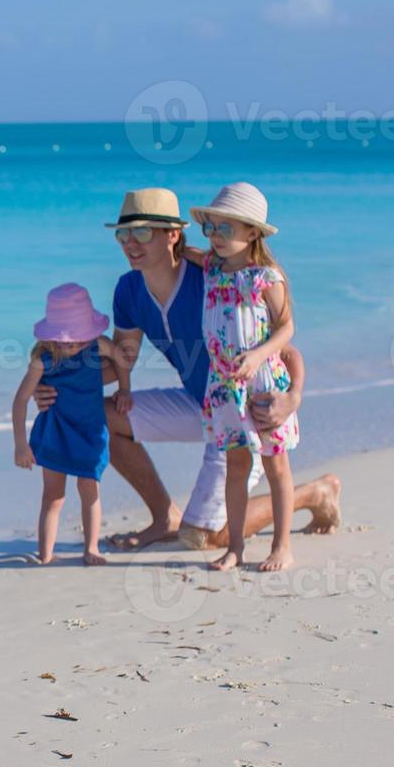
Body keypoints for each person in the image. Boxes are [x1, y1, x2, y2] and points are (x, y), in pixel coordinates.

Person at [33, 189, 340, 552]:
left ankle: (313, 493)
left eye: (144, 233)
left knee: (205, 539)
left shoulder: (212, 278)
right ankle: (165, 517)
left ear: (173, 234)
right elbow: (121, 363)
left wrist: (293, 397)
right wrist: (52, 384)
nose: (131, 243)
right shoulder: (128, 289)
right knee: (101, 415)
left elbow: (286, 350)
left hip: (243, 412)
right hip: (201, 404)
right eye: (123, 234)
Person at [193, 183, 300, 571]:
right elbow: (184, 254)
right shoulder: (211, 268)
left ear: (253, 232)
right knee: (235, 467)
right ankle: (235, 547)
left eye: (226, 228)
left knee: (276, 466)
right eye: (211, 228)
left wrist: (257, 356)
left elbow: (286, 330)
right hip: (223, 389)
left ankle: (282, 546)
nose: (216, 237)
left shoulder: (265, 278)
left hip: (262, 384)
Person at [12, 283, 132, 565]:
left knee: (90, 492)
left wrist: (125, 390)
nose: (70, 345)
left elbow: (121, 359)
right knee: (53, 496)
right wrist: (20, 444)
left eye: (76, 339)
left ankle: (92, 548)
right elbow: (20, 400)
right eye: (64, 340)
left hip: (90, 432)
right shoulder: (43, 360)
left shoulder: (97, 346)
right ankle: (45, 554)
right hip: (55, 433)